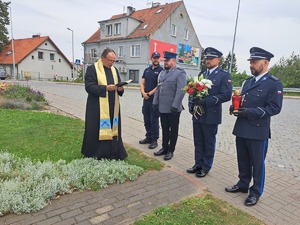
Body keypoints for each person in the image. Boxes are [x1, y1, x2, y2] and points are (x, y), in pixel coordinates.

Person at [225, 47, 283, 206]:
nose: (251, 65)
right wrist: (235, 107)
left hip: (258, 130)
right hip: (242, 127)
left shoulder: (274, 84)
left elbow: (274, 108)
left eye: (254, 62)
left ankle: (255, 192)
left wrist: (248, 112)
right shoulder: (248, 82)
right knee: (242, 159)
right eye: (250, 62)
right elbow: (242, 100)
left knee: (257, 163)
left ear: (265, 62)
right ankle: (243, 184)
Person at [186, 47, 232, 178]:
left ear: (218, 60)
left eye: (211, 58)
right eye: (206, 58)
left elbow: (226, 95)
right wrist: (192, 103)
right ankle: (197, 164)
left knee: (208, 142)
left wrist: (207, 101)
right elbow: (194, 91)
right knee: (198, 141)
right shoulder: (202, 74)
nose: (208, 60)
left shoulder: (224, 75)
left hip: (211, 115)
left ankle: (206, 167)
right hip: (198, 114)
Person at [81, 48, 127, 160]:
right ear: (102, 58)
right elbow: (89, 87)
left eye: (114, 61)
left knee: (113, 128)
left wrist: (120, 89)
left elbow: (118, 86)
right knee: (96, 130)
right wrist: (105, 88)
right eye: (110, 60)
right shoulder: (92, 69)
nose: (112, 63)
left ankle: (114, 152)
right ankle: (97, 153)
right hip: (97, 107)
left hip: (113, 106)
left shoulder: (114, 70)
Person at [152, 51, 186, 160]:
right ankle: (164, 147)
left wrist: (175, 105)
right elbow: (158, 88)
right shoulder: (162, 73)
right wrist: (155, 102)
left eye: (167, 60)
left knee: (173, 130)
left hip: (173, 108)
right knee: (165, 129)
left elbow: (181, 90)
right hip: (163, 107)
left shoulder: (180, 73)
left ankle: (171, 150)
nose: (165, 62)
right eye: (165, 60)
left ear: (174, 61)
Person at [139, 52, 163, 149]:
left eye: (157, 58)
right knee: (146, 119)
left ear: (159, 59)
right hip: (146, 99)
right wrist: (143, 93)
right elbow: (142, 83)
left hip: (155, 100)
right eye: (154, 58)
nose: (156, 59)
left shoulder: (161, 71)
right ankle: (148, 137)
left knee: (154, 120)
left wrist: (149, 94)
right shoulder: (147, 70)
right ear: (151, 59)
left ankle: (154, 140)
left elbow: (159, 86)